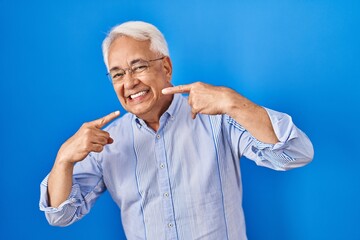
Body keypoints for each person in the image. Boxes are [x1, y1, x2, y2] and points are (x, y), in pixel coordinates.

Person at [39, 21, 314, 240]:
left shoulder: (217, 118)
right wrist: (63, 159)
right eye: (118, 74)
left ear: (166, 67)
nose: (130, 82)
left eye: (139, 67)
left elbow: (296, 153)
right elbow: (61, 215)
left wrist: (233, 103)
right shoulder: (108, 142)